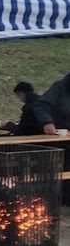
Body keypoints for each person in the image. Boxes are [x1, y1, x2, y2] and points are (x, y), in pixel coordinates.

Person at [34, 71, 70, 201]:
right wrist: (47, 122)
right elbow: (40, 105)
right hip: (63, 138)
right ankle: (65, 198)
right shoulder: (60, 87)